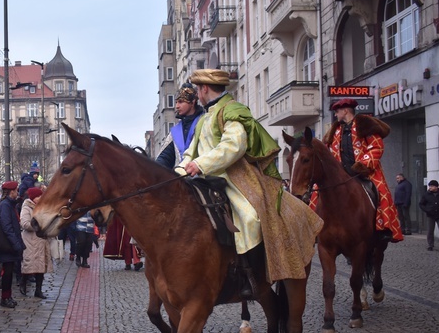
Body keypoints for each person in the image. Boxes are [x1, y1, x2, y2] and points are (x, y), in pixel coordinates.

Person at [177, 69, 322, 295]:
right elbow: (189, 152)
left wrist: (201, 164)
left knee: (250, 217)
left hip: (231, 176)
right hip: (201, 178)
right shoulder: (204, 118)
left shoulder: (232, 110)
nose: (197, 93)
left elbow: (234, 146)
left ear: (204, 88)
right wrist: (180, 171)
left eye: (198, 89)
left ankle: (251, 277)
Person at [323, 98, 403, 243]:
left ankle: (384, 228)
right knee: (319, 191)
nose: (335, 115)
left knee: (380, 192)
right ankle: (319, 226)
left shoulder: (364, 124)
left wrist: (363, 165)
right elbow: (329, 152)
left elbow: (376, 147)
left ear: (345, 110)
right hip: (341, 174)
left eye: (337, 111)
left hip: (365, 172)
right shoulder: (335, 131)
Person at [156, 84, 204, 169]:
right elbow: (165, 157)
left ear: (192, 102)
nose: (177, 106)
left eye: (181, 102)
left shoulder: (205, 122)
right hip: (181, 177)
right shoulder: (175, 131)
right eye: (176, 102)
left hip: (203, 176)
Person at [0, 181, 24, 308]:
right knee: (7, 273)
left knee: (9, 271)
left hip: (9, 244)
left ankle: (8, 296)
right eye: (16, 191)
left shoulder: (9, 204)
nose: (17, 193)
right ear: (11, 191)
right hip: (6, 245)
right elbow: (7, 227)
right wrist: (16, 244)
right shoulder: (5, 205)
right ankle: (5, 298)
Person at [19, 187, 52, 299]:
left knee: (41, 266)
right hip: (30, 240)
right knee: (29, 264)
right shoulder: (26, 207)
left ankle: (38, 290)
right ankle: (23, 283)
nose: (40, 198)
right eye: (38, 196)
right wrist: (38, 226)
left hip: (42, 240)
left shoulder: (42, 207)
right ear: (33, 197)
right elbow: (24, 223)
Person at [419, 180, 439, 251]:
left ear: (436, 187)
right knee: (430, 230)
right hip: (430, 215)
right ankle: (430, 245)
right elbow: (421, 204)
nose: (430, 187)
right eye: (429, 186)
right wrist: (427, 209)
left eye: (432, 186)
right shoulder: (426, 194)